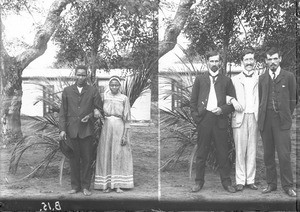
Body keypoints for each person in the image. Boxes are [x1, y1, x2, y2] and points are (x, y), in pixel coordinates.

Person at [190, 50, 237, 193]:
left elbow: (232, 104)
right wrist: (197, 118)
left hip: (220, 120)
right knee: (201, 152)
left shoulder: (227, 81)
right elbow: (193, 102)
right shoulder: (200, 79)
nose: (214, 64)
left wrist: (222, 109)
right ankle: (199, 182)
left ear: (220, 63)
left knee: (223, 152)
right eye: (212, 61)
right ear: (207, 62)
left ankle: (226, 183)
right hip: (204, 119)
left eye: (217, 61)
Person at [258, 47, 297, 197]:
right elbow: (261, 98)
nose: (272, 62)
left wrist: (286, 114)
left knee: (284, 155)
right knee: (268, 154)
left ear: (280, 59)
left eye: (275, 58)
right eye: (269, 59)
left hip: (282, 122)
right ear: (266, 61)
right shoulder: (262, 78)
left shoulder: (289, 76)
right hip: (266, 121)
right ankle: (271, 184)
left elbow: (293, 100)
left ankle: (287, 186)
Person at [59, 65, 102, 196]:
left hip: (87, 130)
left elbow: (99, 109)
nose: (81, 77)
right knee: (73, 159)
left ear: (86, 76)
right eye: (79, 74)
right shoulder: (67, 91)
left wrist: (89, 116)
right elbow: (63, 112)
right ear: (75, 75)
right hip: (71, 130)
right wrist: (62, 129)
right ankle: (75, 186)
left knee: (87, 159)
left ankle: (85, 187)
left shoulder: (93, 90)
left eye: (83, 75)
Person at [94, 76, 134, 193]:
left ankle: (117, 185)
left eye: (116, 85)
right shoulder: (104, 96)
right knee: (106, 153)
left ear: (119, 86)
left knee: (118, 154)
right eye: (112, 85)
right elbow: (98, 110)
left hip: (119, 127)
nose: (114, 87)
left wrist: (125, 135)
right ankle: (106, 185)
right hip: (106, 127)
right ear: (109, 85)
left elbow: (127, 118)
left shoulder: (124, 98)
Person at [227, 47, 259, 191]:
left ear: (255, 61)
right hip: (239, 118)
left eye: (251, 59)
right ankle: (240, 181)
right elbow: (225, 96)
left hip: (255, 117)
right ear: (242, 62)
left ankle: (250, 180)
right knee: (240, 150)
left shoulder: (260, 78)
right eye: (246, 59)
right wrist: (233, 101)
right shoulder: (234, 80)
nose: (249, 62)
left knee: (252, 149)